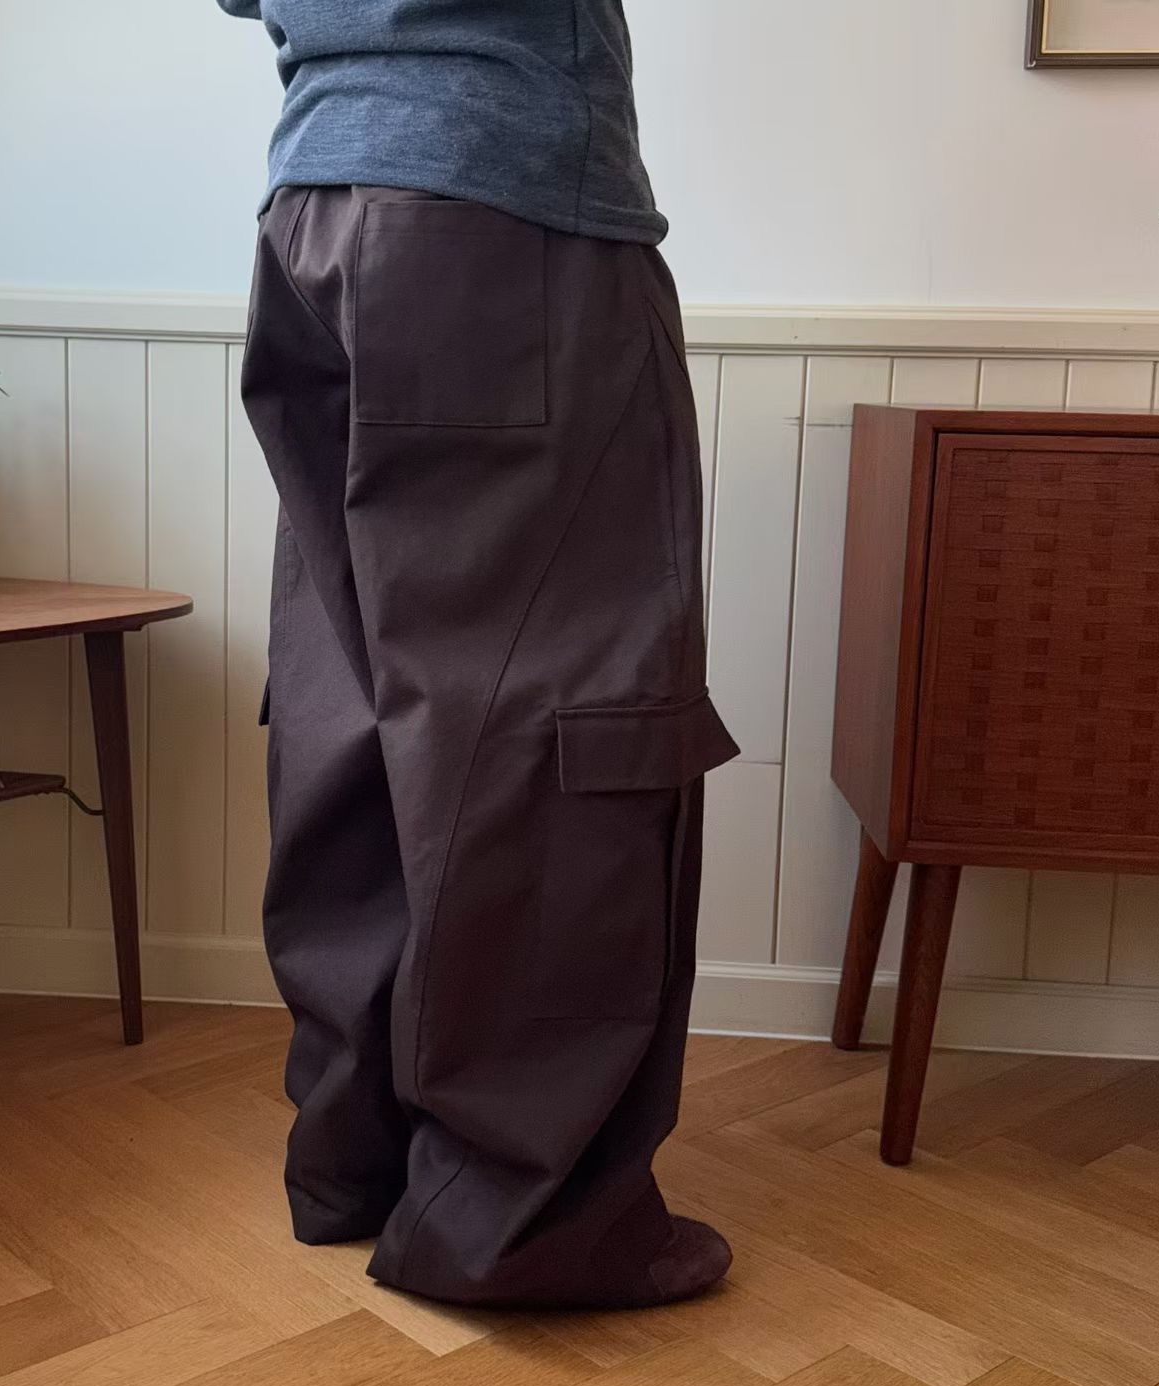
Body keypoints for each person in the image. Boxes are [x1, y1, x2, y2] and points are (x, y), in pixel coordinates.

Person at [217, 0, 739, 1309]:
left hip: (314, 206)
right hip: (503, 207)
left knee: (351, 705)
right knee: (554, 717)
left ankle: (360, 1160)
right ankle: (520, 1220)